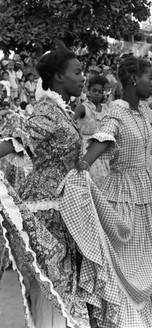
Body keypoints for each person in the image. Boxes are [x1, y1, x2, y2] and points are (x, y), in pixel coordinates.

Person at [73, 55, 152, 327]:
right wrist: (84, 164)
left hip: (143, 191)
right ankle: (120, 319)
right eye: (149, 78)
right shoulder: (117, 110)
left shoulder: (141, 111)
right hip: (123, 194)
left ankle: (140, 316)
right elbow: (106, 137)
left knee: (146, 258)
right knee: (125, 261)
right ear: (132, 79)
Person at [0, 48, 88, 327]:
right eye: (78, 72)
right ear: (59, 77)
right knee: (53, 284)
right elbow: (19, 140)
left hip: (62, 206)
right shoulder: (48, 110)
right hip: (45, 210)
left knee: (59, 284)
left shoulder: (60, 109)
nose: (83, 77)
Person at [73, 74, 110, 188]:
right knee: (89, 180)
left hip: (102, 147)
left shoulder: (106, 109)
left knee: (105, 180)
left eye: (100, 91)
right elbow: (70, 122)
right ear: (88, 91)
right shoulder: (83, 108)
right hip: (86, 148)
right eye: (94, 90)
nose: (97, 94)